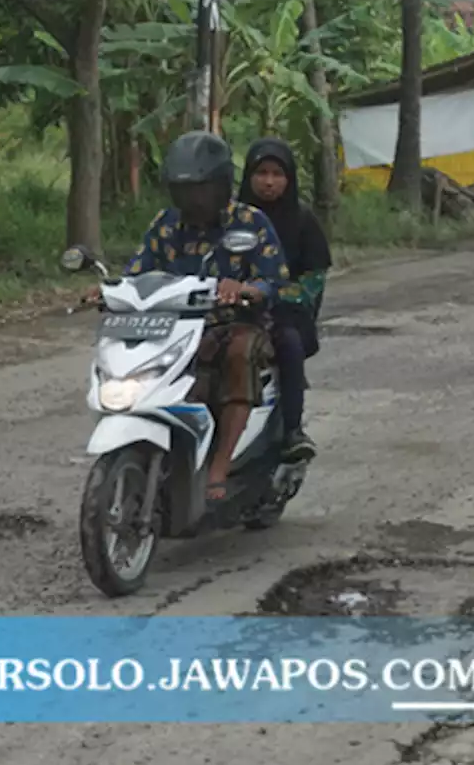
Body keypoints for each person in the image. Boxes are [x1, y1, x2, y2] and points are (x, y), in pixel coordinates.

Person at [96, 131, 290, 504]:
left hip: (237, 324)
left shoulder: (251, 223)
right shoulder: (166, 224)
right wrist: (107, 290)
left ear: (220, 186)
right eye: (183, 190)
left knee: (238, 356)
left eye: (200, 190)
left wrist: (247, 289)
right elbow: (138, 271)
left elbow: (275, 281)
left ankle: (219, 466)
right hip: (176, 327)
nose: (192, 199)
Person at [238, 137, 331, 464]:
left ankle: (293, 430)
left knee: (288, 344)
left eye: (277, 174)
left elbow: (314, 277)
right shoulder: (230, 218)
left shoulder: (303, 220)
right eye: (261, 172)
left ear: (288, 179)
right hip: (229, 310)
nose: (268, 181)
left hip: (285, 314)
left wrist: (273, 294)